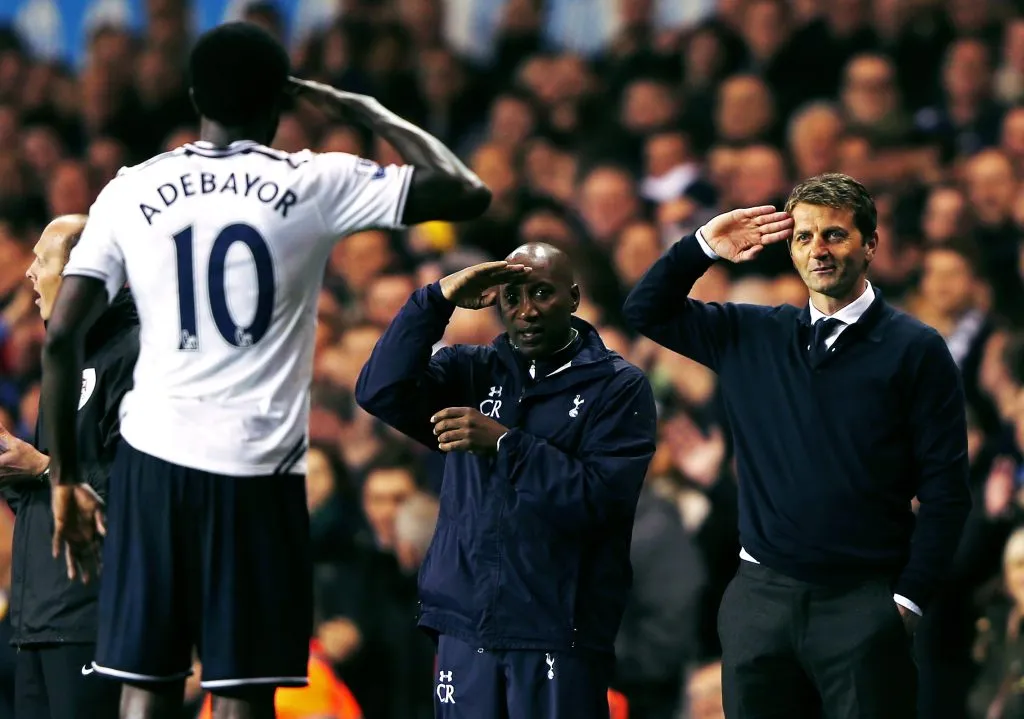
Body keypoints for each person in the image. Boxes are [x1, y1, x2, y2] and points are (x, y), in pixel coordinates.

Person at [37, 22, 490, 719]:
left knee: (145, 681)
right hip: (259, 470)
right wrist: (362, 110)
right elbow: (464, 190)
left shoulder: (131, 188)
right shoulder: (313, 178)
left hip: (154, 463)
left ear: (194, 95)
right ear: (282, 102)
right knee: (244, 689)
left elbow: (61, 333)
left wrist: (66, 476)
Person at [623, 173, 971, 718]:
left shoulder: (916, 350)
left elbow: (948, 492)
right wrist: (703, 246)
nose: (818, 250)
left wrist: (908, 601)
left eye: (834, 235)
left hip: (863, 601)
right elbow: (645, 309)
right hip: (760, 599)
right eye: (803, 237)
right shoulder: (751, 333)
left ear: (871, 244)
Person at [355, 242, 657, 719]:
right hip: (465, 623)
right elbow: (380, 389)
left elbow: (601, 500)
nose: (527, 311)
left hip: (557, 629)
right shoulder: (471, 371)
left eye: (542, 293)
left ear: (574, 297)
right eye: (512, 298)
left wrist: (505, 444)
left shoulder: (618, 387)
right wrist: (437, 300)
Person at [0, 215, 136, 719]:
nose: (30, 274)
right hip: (38, 620)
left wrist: (39, 467)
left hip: (94, 618)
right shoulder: (68, 357)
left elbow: (137, 489)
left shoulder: (133, 355)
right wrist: (16, 467)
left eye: (43, 260)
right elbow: (55, 484)